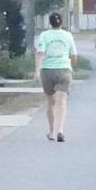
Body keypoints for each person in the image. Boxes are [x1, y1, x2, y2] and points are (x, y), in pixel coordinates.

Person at [35, 11, 78, 142]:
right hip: (64, 69)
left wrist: (37, 71)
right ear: (62, 22)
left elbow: (40, 53)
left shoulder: (44, 35)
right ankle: (60, 130)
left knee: (51, 102)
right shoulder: (68, 35)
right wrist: (70, 67)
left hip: (47, 71)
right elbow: (74, 55)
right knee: (62, 102)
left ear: (50, 22)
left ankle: (52, 132)